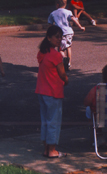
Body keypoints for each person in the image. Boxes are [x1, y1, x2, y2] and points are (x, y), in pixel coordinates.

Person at [35, 25, 69, 159]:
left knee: (45, 120)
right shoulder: (55, 55)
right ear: (49, 38)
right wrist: (66, 80)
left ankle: (45, 148)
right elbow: (62, 74)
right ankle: (52, 150)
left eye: (61, 36)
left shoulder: (42, 53)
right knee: (54, 121)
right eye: (56, 36)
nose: (59, 39)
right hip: (53, 91)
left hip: (42, 91)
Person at [48, 0, 85, 71]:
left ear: (57, 5)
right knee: (68, 47)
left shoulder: (53, 13)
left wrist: (50, 33)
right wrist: (80, 27)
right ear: (65, 4)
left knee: (61, 49)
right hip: (69, 32)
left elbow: (50, 24)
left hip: (60, 33)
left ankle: (64, 59)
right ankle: (68, 64)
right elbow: (74, 19)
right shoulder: (68, 12)